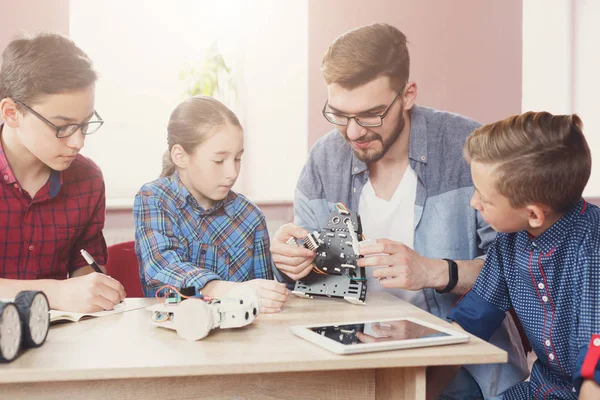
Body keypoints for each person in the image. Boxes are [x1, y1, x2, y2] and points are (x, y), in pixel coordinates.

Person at [269, 23, 528, 398]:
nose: (354, 132)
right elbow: (315, 281)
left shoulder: (468, 150)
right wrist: (294, 261)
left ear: (407, 95)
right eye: (340, 115)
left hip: (461, 363)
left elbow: (520, 269)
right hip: (351, 356)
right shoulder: (324, 160)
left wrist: (434, 270)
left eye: (370, 115)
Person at [435, 112, 600, 399]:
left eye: (484, 198)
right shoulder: (509, 242)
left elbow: (595, 365)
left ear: (533, 214)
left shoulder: (591, 253)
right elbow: (472, 319)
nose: (474, 202)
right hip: (541, 390)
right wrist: (421, 391)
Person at [0, 32, 126, 312]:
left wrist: (95, 288)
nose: (77, 142)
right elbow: (60, 293)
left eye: (84, 125)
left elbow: (87, 266)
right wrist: (54, 292)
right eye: (62, 126)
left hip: (59, 343)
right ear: (11, 113)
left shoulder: (88, 180)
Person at [134, 96, 288, 313]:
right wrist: (227, 290)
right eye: (219, 161)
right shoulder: (154, 198)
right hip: (172, 339)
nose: (232, 173)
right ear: (180, 156)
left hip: (236, 342)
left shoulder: (251, 217)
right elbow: (161, 265)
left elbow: (262, 297)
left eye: (237, 159)